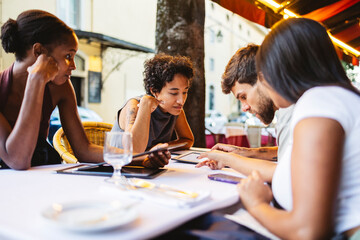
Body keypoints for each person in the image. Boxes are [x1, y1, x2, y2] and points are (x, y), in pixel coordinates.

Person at [0, 10, 170, 170]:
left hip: (40, 175)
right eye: (68, 56)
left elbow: (84, 150)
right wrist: (36, 80)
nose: (73, 66)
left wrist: (142, 157)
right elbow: (17, 159)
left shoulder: (61, 87)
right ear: (38, 51)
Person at [237, 18, 360, 239]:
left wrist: (255, 203)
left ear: (279, 70)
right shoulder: (340, 97)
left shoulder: (319, 102)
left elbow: (307, 231)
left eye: (263, 75)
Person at [196, 44, 294, 181]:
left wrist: (230, 160)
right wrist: (245, 152)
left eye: (244, 97)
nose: (244, 108)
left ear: (263, 80)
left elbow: (288, 175)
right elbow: (290, 152)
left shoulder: (295, 112)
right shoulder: (288, 109)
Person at [111, 54, 194, 153]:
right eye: (174, 93)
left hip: (147, 166)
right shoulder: (134, 106)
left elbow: (188, 140)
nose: (181, 100)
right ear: (155, 91)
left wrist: (164, 146)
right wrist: (145, 105)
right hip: (117, 166)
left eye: (185, 92)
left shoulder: (175, 109)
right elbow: (133, 149)